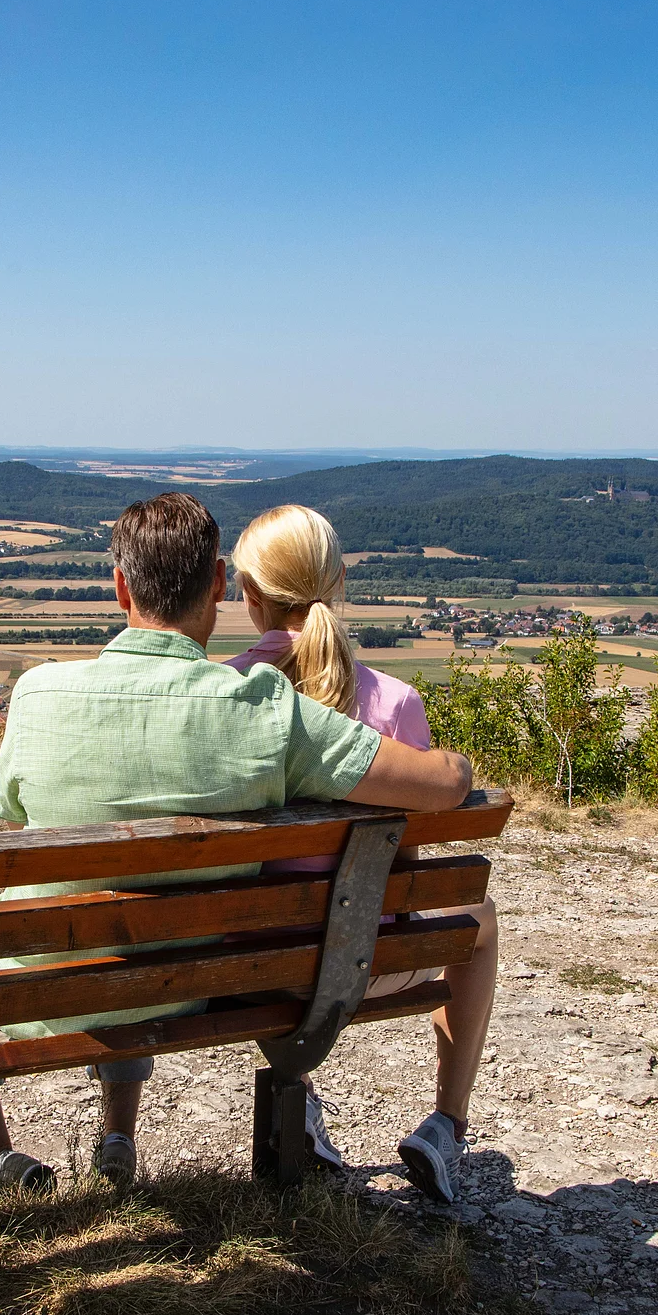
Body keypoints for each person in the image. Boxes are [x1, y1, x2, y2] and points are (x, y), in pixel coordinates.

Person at [0, 491, 474, 1194]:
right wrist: (459, 767)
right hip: (181, 988)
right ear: (217, 583)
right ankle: (117, 1133)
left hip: (49, 986)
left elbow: (13, 817)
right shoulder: (258, 708)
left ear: (120, 585)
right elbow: (438, 783)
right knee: (135, 931)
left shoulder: (38, 693)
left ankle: (1, 1162)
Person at [226, 504, 498, 1204]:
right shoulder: (396, 704)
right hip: (368, 968)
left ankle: (300, 1101)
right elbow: (407, 863)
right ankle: (447, 1124)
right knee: (480, 915)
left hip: (242, 974)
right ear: (341, 582)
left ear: (247, 595)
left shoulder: (218, 698)